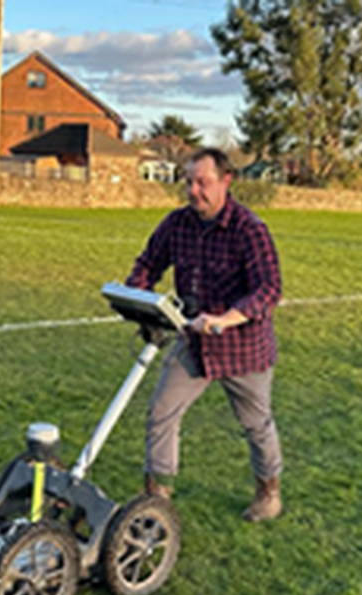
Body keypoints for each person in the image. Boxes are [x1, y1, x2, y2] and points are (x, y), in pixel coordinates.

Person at [124, 147, 283, 522]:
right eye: (189, 182)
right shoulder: (178, 224)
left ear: (226, 181)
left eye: (203, 182)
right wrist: (139, 298)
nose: (194, 191)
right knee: (161, 411)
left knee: (256, 424)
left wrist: (228, 318)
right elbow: (148, 263)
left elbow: (269, 289)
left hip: (244, 348)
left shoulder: (250, 229)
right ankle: (157, 498)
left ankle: (268, 493)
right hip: (193, 343)